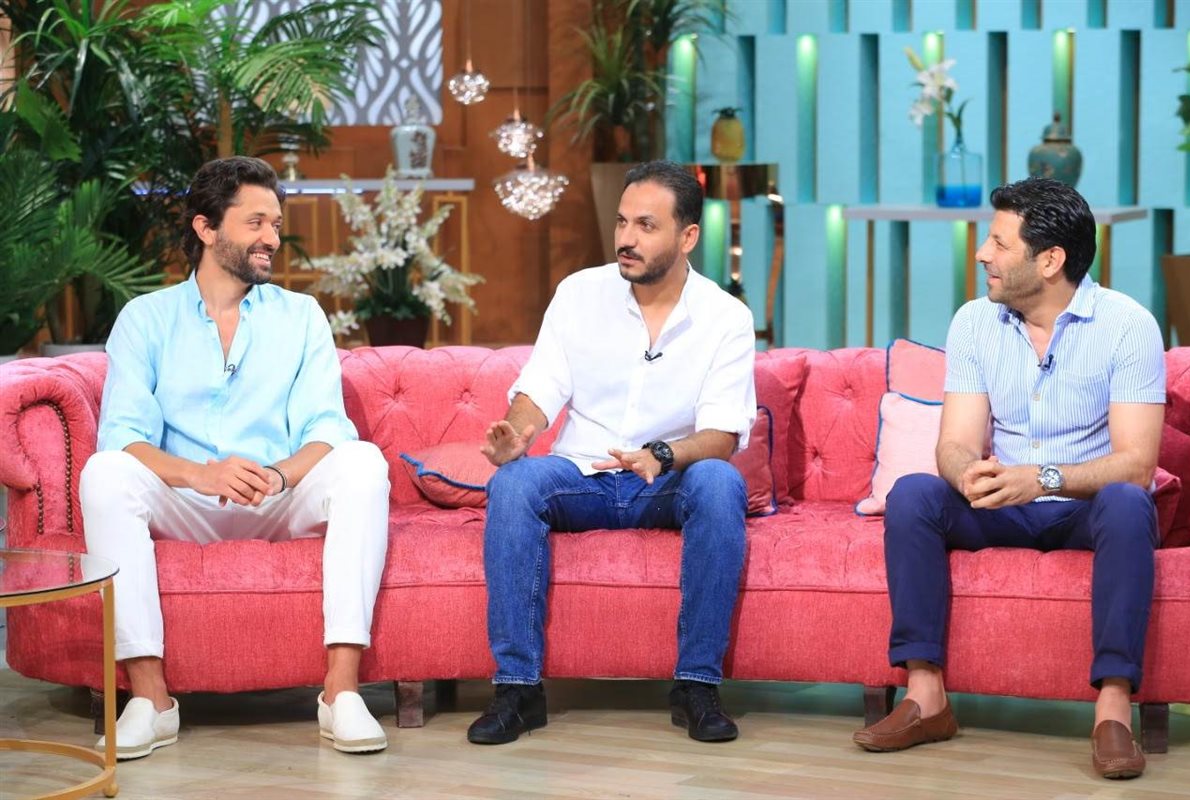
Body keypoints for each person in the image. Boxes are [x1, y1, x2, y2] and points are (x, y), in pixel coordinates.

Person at [852, 178, 1165, 779]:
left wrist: (1040, 479)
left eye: (998, 242)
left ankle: (1113, 711)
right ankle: (926, 696)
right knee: (914, 493)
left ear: (1050, 260)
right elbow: (954, 442)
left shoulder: (1128, 326)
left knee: (1130, 502)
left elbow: (1137, 462)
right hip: (1002, 505)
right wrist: (967, 472)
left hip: (1082, 507)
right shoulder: (975, 322)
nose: (981, 254)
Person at [81, 156, 391, 759]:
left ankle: (341, 692)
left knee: (363, 461)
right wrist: (201, 474)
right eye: (255, 223)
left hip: (277, 498)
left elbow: (326, 426)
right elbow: (122, 434)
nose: (271, 238)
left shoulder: (300, 316)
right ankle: (151, 701)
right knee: (105, 473)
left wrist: (278, 474)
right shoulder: (145, 319)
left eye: (275, 224)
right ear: (206, 228)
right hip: (186, 499)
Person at [466, 160, 757, 745]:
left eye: (646, 225)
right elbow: (538, 391)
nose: (626, 238)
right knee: (514, 483)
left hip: (666, 481)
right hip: (583, 475)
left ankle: (696, 686)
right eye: (623, 222)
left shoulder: (726, 317)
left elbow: (722, 436)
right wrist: (517, 434)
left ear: (687, 236)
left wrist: (662, 454)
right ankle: (518, 690)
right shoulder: (579, 294)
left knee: (720, 482)